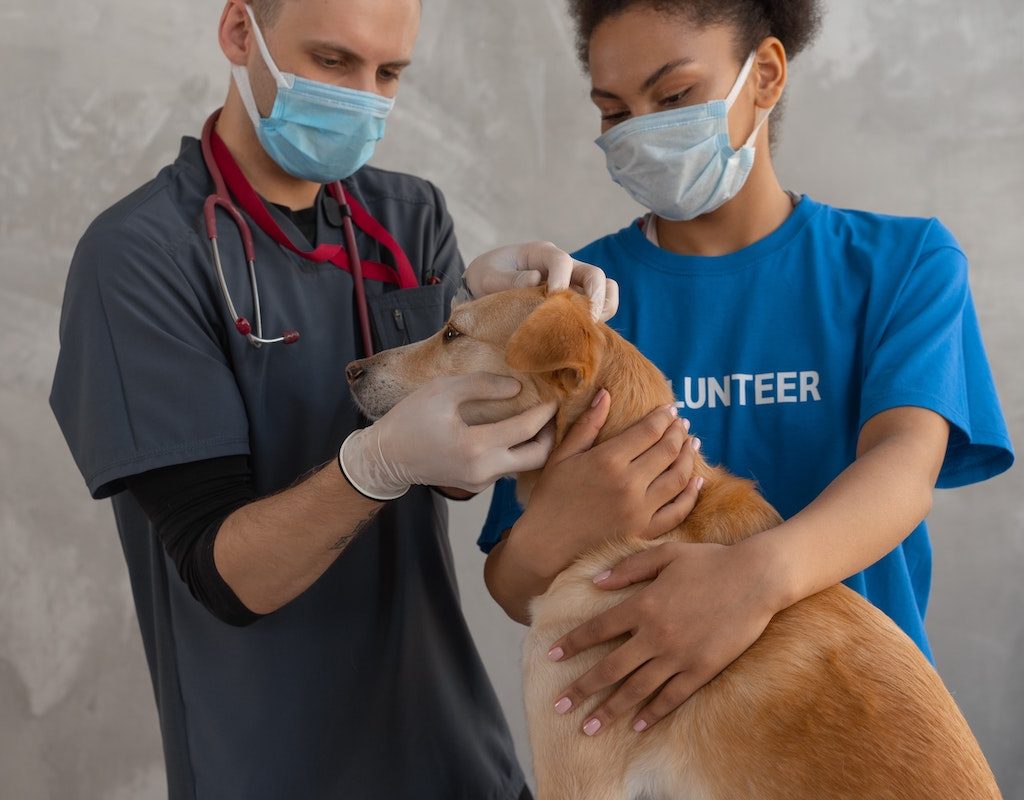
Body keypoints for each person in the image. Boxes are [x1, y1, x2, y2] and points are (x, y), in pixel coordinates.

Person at [48, 1, 701, 797]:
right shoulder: (142, 258)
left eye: (388, 73)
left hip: (454, 751)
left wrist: (500, 326)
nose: (364, 96)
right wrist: (375, 464)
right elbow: (229, 578)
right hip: (272, 762)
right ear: (238, 34)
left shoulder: (408, 217)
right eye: (332, 61)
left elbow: (457, 469)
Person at [481, 0, 1014, 742]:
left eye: (672, 99)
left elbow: (903, 469)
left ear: (764, 75)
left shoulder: (903, 265)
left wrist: (752, 582)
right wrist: (551, 532)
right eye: (613, 111)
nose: (638, 132)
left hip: (858, 733)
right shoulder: (575, 309)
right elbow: (511, 582)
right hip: (659, 755)